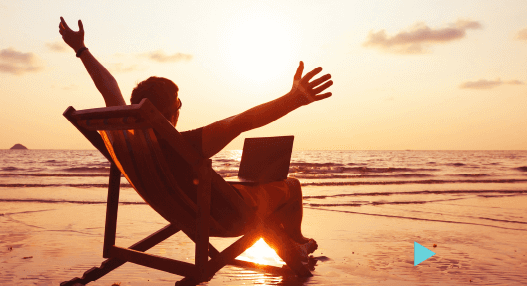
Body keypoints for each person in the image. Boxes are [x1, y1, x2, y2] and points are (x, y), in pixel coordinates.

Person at [59, 17, 332, 262]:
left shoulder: (127, 142)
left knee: (255, 195)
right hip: (222, 219)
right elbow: (242, 121)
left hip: (180, 211)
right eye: (179, 105)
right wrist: (294, 99)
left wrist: (81, 50)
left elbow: (109, 89)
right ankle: (296, 241)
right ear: (168, 113)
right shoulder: (181, 145)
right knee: (290, 186)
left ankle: (288, 247)